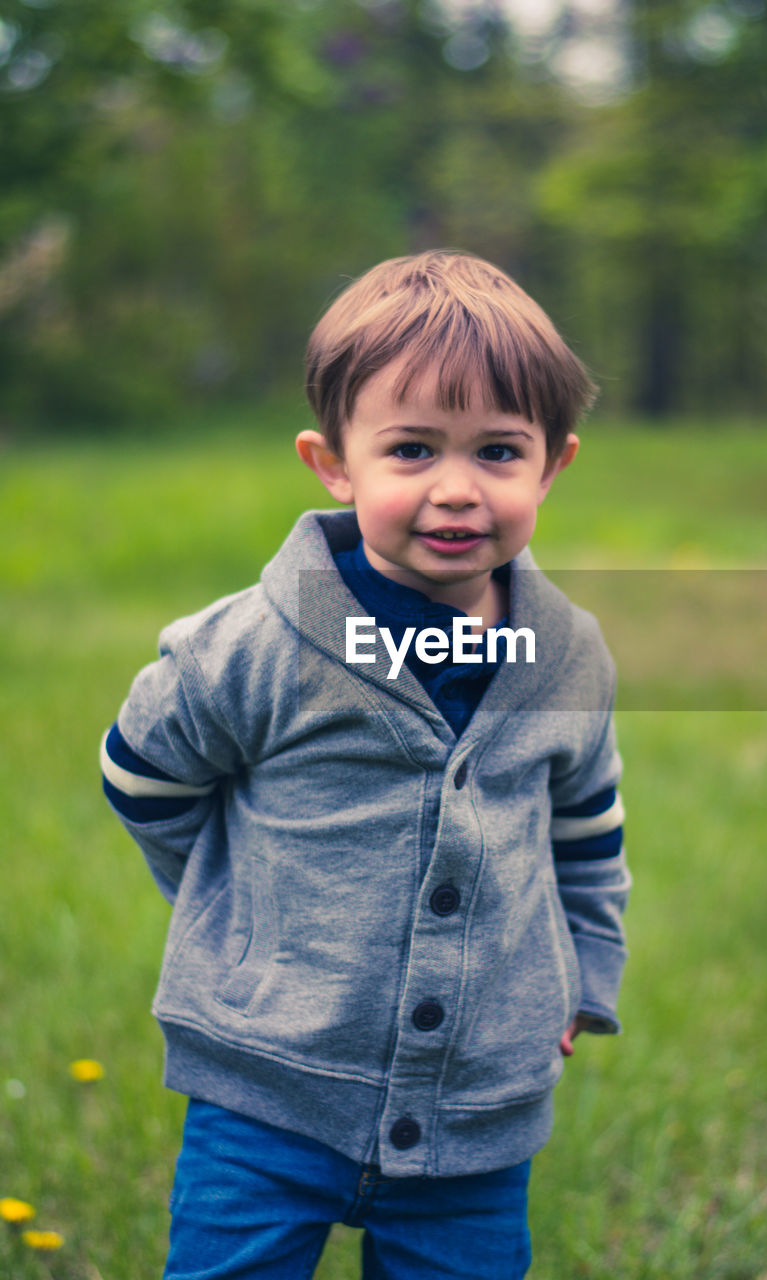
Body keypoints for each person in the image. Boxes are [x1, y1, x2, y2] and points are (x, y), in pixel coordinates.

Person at [101, 250, 631, 1280]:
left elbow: (588, 830)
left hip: (474, 1110)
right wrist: (233, 912)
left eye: (496, 451)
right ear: (333, 462)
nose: (455, 489)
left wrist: (583, 974)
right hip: (265, 1092)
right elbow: (144, 772)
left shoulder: (566, 656)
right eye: (411, 448)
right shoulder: (254, 646)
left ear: (553, 464)